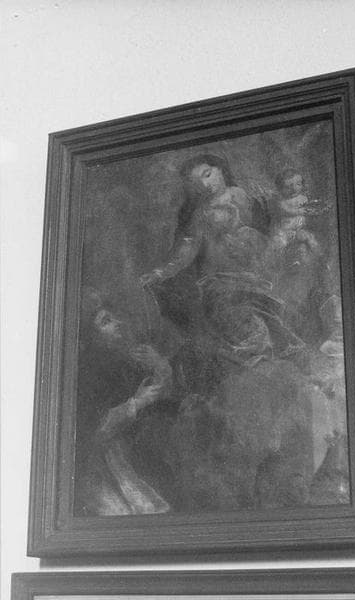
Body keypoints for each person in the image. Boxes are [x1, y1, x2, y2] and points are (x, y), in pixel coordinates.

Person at [140, 154, 304, 368]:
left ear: (220, 169)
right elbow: (188, 247)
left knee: (259, 305)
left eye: (207, 175)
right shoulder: (201, 213)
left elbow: (274, 216)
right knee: (224, 304)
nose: (204, 185)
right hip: (222, 277)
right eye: (196, 182)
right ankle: (258, 348)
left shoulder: (246, 194)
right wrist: (162, 272)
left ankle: (271, 347)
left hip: (255, 267)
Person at [75, 288, 173, 516]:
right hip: (103, 464)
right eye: (106, 322)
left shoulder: (123, 360)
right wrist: (136, 403)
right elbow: (95, 430)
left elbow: (161, 396)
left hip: (136, 452)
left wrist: (159, 364)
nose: (118, 323)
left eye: (114, 317)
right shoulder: (86, 373)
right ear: (91, 336)